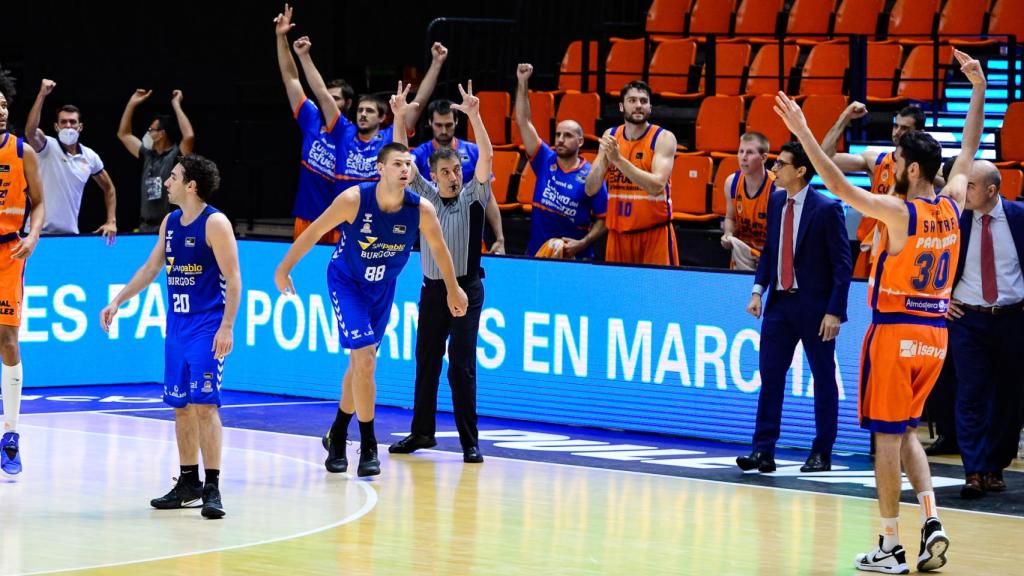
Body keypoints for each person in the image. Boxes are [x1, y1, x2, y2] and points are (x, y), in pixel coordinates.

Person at [773, 49, 986, 574]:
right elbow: (970, 147)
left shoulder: (899, 210)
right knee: (907, 429)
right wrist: (977, 87)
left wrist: (803, 131)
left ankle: (890, 546)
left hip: (894, 334)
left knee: (885, 439)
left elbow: (838, 186)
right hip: (934, 338)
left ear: (912, 169)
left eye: (896, 161)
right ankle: (931, 519)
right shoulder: (954, 203)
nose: (888, 170)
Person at [274, 129, 468, 477]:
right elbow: (316, 230)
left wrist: (453, 288)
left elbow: (440, 250)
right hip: (347, 282)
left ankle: (336, 435)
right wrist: (284, 268)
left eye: (409, 164)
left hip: (383, 288)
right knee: (364, 359)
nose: (405, 169)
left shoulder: (420, 210)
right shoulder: (353, 200)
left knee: (360, 366)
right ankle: (367, 445)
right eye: (397, 164)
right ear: (380, 168)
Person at [100, 155, 240, 519]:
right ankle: (188, 482)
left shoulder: (216, 223)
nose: (166, 182)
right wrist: (118, 300)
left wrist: (227, 326)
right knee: (180, 407)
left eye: (173, 176)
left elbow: (234, 278)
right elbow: (151, 268)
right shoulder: (171, 222)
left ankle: (212, 486)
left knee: (206, 406)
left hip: (206, 327)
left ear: (191, 185)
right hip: (176, 327)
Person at [388, 80, 492, 462]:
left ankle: (469, 441)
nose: (453, 175)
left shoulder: (472, 195)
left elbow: (488, 160)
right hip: (432, 290)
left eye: (456, 168)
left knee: (461, 366)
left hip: (466, 289)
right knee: (426, 361)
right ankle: (421, 434)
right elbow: (400, 158)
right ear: (434, 175)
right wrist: (399, 117)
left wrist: (476, 117)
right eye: (446, 171)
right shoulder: (425, 197)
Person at [737, 141, 851, 475]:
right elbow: (771, 250)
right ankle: (763, 450)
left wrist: (835, 311)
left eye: (780, 164)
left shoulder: (827, 209)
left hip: (815, 308)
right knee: (771, 376)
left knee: (823, 378)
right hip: (781, 303)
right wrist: (758, 291)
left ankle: (822, 452)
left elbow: (843, 265)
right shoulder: (775, 201)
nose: (774, 170)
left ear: (800, 170)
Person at [947, 160, 1024, 499]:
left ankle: (995, 467)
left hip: (1013, 318)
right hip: (968, 319)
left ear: (992, 190)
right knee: (971, 394)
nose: (965, 191)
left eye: (972, 186)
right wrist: (941, 298)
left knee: (1011, 398)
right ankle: (974, 471)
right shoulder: (954, 220)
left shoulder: (1020, 218)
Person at [296, 37, 444, 183]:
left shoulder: (390, 136)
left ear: (382, 117)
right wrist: (304, 56)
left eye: (369, 111)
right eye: (360, 110)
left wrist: (437, 63)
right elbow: (322, 94)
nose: (363, 114)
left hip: (377, 206)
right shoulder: (343, 131)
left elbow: (419, 101)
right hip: (346, 205)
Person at [822, 103, 931, 278]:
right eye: (896, 125)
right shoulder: (875, 160)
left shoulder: (930, 170)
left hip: (909, 248)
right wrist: (845, 117)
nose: (897, 132)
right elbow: (826, 159)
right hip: (874, 247)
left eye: (904, 128)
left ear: (920, 132)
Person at [273, 4, 353, 244]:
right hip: (306, 217)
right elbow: (291, 78)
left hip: (339, 221)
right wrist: (281, 38)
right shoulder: (312, 117)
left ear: (348, 103)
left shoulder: (350, 131)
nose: (328, 100)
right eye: (326, 96)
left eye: (335, 98)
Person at [0, 71, 46, 477]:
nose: (0, 111)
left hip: (10, 251)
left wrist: (33, 234)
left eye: (3, 104)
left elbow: (40, 203)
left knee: (8, 338)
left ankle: (11, 435)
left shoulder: (21, 152)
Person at [513, 63, 607, 259]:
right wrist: (522, 83)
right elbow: (523, 121)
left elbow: (603, 220)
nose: (560, 139)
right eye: (558, 135)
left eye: (568, 135)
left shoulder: (591, 174)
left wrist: (583, 243)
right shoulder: (545, 159)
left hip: (574, 259)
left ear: (580, 141)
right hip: (537, 255)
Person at [585, 80, 678, 265]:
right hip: (617, 236)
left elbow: (656, 186)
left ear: (650, 107)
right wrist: (605, 160)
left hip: (654, 234)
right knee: (617, 293)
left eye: (643, 101)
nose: (638, 106)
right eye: (632, 100)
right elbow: (590, 189)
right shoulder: (611, 136)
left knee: (658, 292)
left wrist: (618, 160)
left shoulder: (663, 138)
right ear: (621, 106)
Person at [24, 79, 117, 241]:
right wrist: (42, 95)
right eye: (63, 122)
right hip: (37, 233)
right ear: (56, 127)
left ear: (80, 127)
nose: (68, 126)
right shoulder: (46, 146)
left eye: (72, 122)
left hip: (70, 234)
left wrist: (111, 221)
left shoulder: (90, 157)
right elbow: (30, 132)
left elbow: (109, 189)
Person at [411, 98, 506, 255]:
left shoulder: (474, 152)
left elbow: (488, 197)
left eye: (448, 125)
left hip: (468, 233)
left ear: (456, 122)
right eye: (438, 125)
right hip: (429, 235)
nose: (443, 131)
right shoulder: (420, 154)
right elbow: (402, 160)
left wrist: (500, 239)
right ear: (430, 122)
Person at [117, 88, 196, 232]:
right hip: (144, 227)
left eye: (151, 130)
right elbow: (124, 134)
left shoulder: (176, 155)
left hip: (169, 227)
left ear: (162, 134)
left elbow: (189, 136)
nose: (147, 133)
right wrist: (132, 103)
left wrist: (176, 104)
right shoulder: (147, 154)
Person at [721, 132, 774, 271]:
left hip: (769, 259)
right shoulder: (731, 182)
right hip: (741, 257)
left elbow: (783, 233)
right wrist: (728, 234)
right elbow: (730, 218)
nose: (743, 157)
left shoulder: (777, 189)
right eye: (741, 151)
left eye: (749, 152)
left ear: (763, 158)